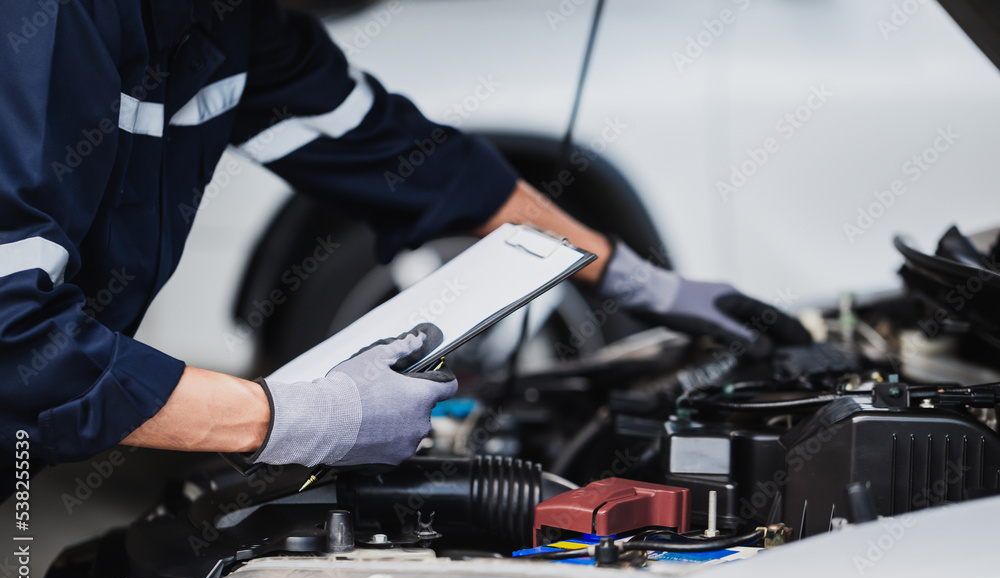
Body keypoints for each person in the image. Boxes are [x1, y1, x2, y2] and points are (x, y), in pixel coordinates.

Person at [0, 0, 809, 485]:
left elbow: (407, 158)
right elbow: (13, 340)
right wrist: (291, 418)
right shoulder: (43, 27)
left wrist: (634, 280)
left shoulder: (228, 26)